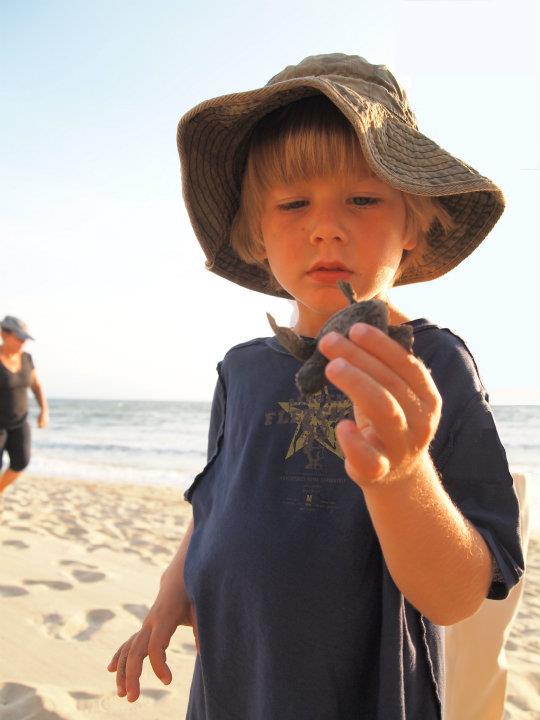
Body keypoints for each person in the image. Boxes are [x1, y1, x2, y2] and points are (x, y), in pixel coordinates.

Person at [108, 54, 524, 719]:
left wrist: (402, 477)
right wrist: (170, 591)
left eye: (363, 198)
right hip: (232, 688)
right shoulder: (241, 369)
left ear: (414, 224)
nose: (325, 225)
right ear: (255, 232)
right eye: (293, 203)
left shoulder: (432, 366)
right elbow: (218, 498)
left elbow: (459, 595)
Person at [0, 315, 49, 493]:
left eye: (25, 339)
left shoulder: (27, 358)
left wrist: (44, 410)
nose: (22, 343)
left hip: (20, 421)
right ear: (4, 334)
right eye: (19, 338)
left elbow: (36, 386)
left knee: (21, 462)